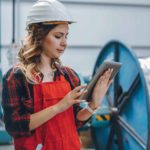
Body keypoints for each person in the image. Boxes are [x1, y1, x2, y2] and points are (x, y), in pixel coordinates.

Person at [2, 0, 113, 150]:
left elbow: (76, 121)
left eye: (66, 36)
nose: (64, 42)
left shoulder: (68, 75)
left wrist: (94, 103)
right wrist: (59, 106)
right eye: (58, 36)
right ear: (39, 36)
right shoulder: (17, 76)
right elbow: (14, 126)